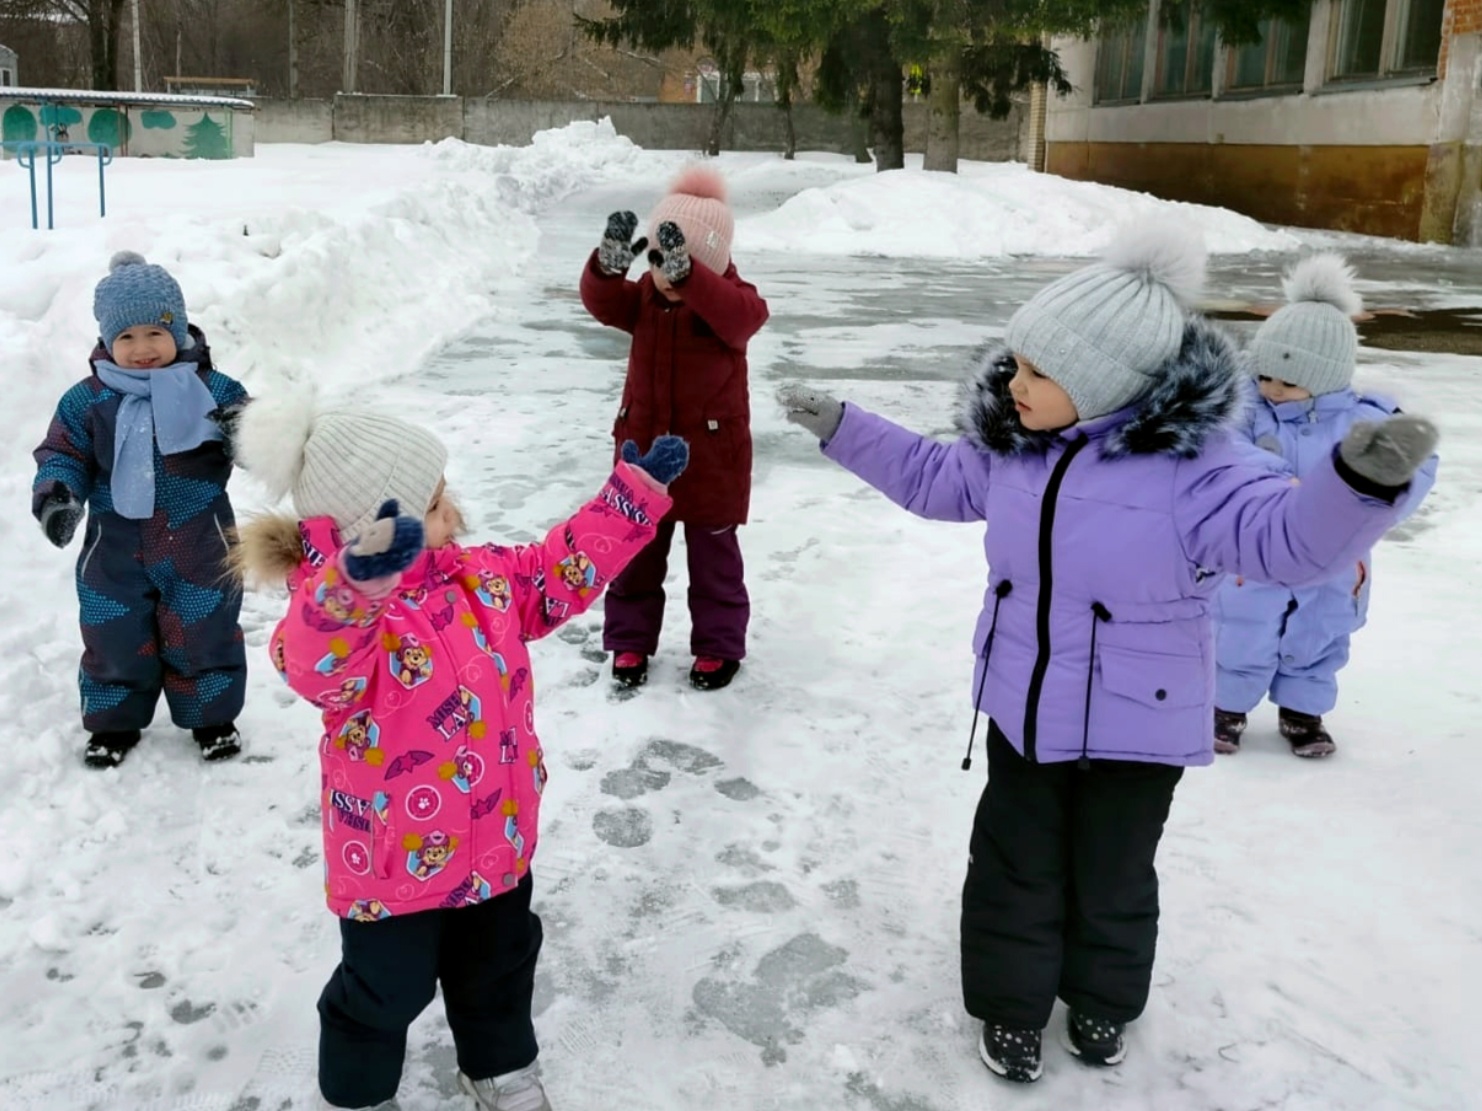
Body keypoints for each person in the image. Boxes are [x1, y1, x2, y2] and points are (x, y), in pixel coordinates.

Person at [778, 226, 1437, 1084]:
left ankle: (1102, 1001)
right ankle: (1011, 1010)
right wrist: (845, 428)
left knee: (1114, 875)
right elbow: (937, 478)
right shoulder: (1012, 447)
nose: (1012, 384)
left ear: (1103, 386)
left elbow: (1283, 542)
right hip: (1025, 707)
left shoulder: (1200, 469)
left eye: (1036, 373)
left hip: (1140, 724)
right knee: (1014, 866)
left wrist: (1357, 488)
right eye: (1015, 362)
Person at [232, 390, 687, 1111]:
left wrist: (629, 501)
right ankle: (357, 1094)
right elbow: (315, 663)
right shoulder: (338, 619)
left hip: (495, 841)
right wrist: (356, 587)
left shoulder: (479, 576)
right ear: (381, 530)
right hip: (392, 865)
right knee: (385, 989)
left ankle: (501, 1068)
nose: (453, 510)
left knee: (501, 967)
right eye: (436, 502)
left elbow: (551, 572)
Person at [1214, 254, 1437, 756]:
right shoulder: (1245, 410)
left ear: (1330, 376)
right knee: (1239, 630)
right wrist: (1279, 483)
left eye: (1288, 382)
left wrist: (1365, 494)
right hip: (1257, 551)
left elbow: (1412, 467)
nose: (1272, 389)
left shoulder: (1363, 419)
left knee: (1319, 633)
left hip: (1335, 557)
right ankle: (1224, 705)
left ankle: (1303, 712)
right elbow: (1221, 452)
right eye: (1265, 375)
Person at [32, 251, 248, 768]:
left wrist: (248, 432)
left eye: (156, 332)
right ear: (107, 341)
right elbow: (63, 452)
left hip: (200, 538)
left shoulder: (211, 390)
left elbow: (257, 432)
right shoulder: (87, 400)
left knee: (204, 629)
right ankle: (115, 723)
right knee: (114, 633)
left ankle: (212, 717)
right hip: (115, 546)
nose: (142, 348)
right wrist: (58, 495)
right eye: (126, 337)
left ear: (179, 330)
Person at [580, 165, 769, 691]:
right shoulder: (643, 297)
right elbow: (601, 301)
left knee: (715, 565)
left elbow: (743, 316)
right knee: (635, 555)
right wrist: (609, 265)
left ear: (706, 262)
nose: (664, 274)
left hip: (711, 458)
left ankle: (717, 645)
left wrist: (693, 280)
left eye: (678, 264)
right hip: (643, 452)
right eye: (658, 260)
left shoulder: (732, 302)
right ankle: (630, 641)